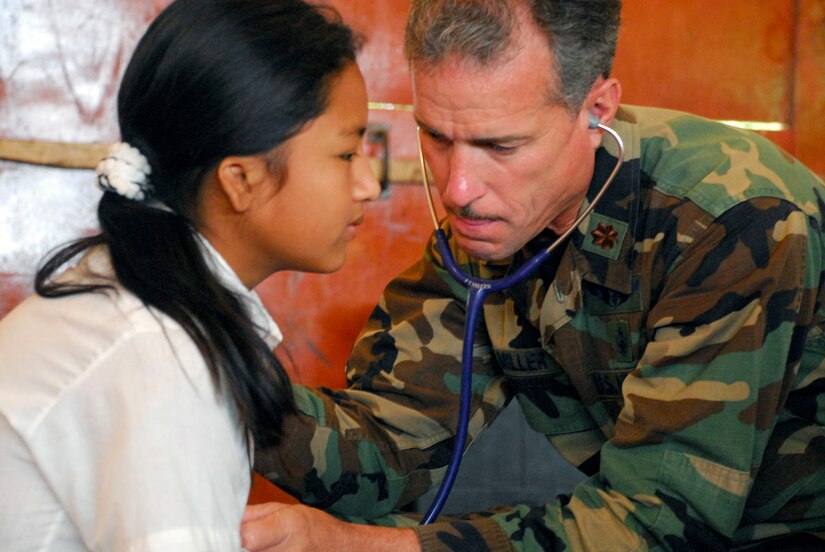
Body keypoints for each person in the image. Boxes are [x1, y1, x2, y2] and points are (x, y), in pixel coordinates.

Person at [243, 0, 825, 551]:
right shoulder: (490, 233)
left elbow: (657, 524)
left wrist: (371, 546)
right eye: (437, 137)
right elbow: (388, 450)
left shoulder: (733, 222)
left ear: (597, 112)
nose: (458, 190)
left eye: (501, 145)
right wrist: (224, 385)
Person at [0, 0, 380, 549]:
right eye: (346, 153)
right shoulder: (162, 358)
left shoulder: (139, 307)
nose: (367, 183)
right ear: (241, 180)